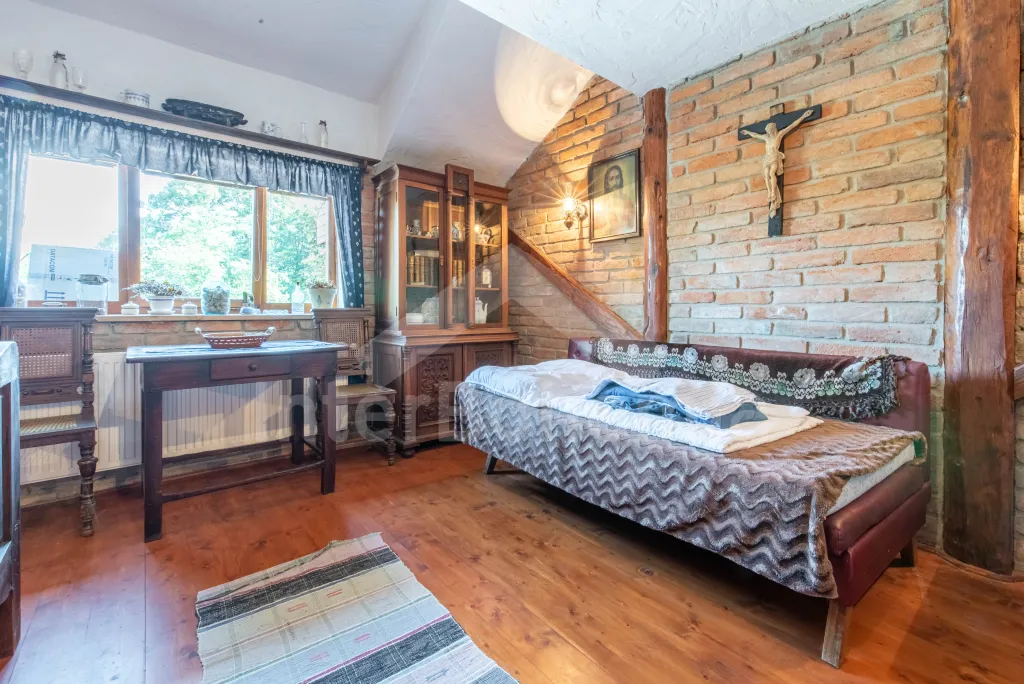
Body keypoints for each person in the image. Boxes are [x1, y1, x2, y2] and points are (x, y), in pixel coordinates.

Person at [740, 109, 813, 217]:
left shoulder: (779, 135)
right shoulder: (766, 137)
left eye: (770, 130)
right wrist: (747, 132)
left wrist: (803, 116)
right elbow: (755, 135)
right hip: (767, 157)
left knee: (771, 173)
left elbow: (792, 125)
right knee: (766, 174)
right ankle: (770, 192)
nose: (769, 132)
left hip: (774, 156)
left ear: (773, 129)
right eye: (768, 131)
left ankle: (773, 193)